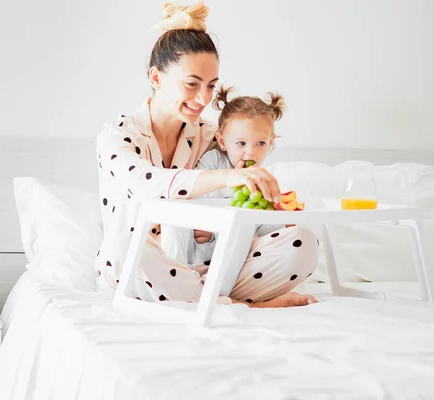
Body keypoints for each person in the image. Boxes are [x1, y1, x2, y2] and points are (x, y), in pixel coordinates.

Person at [94, 1, 318, 307]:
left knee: (302, 242)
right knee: (121, 249)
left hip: (210, 268)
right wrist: (227, 176)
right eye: (191, 84)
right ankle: (243, 305)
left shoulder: (213, 136)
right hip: (142, 269)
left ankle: (206, 297)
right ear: (157, 78)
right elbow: (150, 185)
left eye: (211, 85)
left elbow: (246, 152)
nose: (204, 98)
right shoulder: (117, 137)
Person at [161, 86, 319, 303]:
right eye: (241, 143)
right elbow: (194, 194)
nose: (250, 152)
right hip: (193, 261)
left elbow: (264, 230)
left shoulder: (265, 180)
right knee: (174, 216)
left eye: (260, 143)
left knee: (297, 239)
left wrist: (284, 221)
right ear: (223, 141)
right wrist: (209, 230)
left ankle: (218, 298)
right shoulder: (214, 163)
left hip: (233, 272)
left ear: (271, 142)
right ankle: (184, 290)